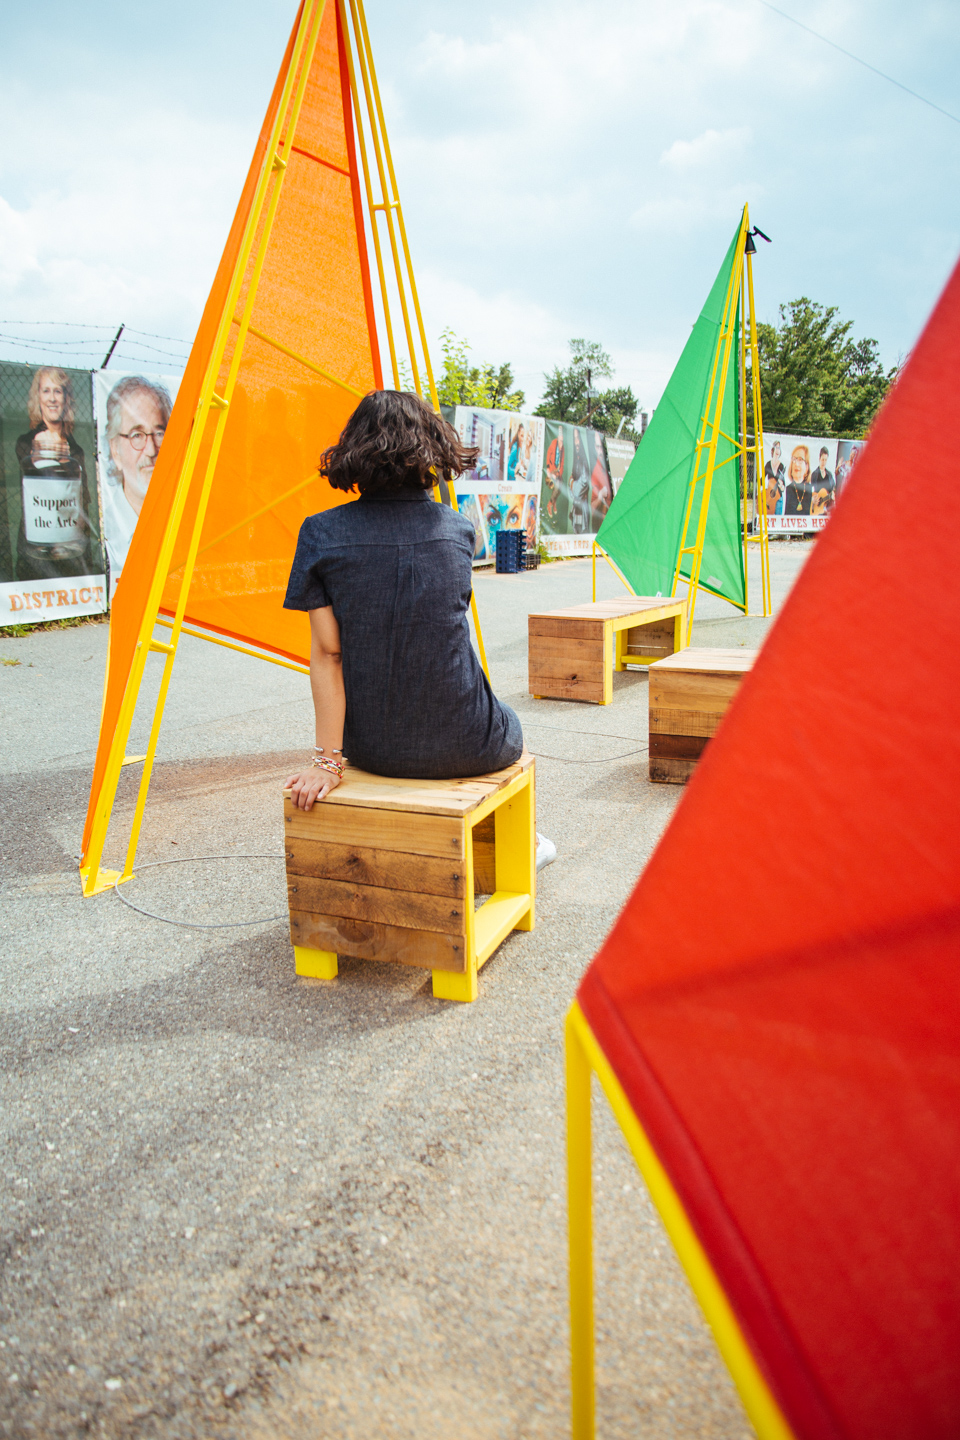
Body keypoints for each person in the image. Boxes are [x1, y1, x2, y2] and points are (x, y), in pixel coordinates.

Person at [16, 366, 98, 581]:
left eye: (58, 391)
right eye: (46, 391)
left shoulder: (77, 449)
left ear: (66, 398)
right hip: (37, 548)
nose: (52, 399)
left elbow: (83, 501)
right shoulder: (26, 443)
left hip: (69, 546)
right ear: (38, 397)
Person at [100, 375, 173, 582]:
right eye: (137, 435)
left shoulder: (186, 525)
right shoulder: (102, 535)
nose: (151, 450)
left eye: (159, 433)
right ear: (115, 450)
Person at [570, 428, 590, 534]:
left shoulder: (583, 461)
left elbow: (579, 489)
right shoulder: (576, 459)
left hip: (582, 509)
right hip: (576, 509)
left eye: (577, 438)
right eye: (574, 439)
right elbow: (572, 494)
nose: (576, 442)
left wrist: (571, 483)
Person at [783, 444, 813, 516]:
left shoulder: (811, 489)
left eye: (800, 460)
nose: (796, 463)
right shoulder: (786, 489)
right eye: (794, 459)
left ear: (807, 467)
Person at [810, 446, 836, 515]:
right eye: (822, 459)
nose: (824, 462)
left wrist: (833, 494)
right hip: (817, 508)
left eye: (825, 460)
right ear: (819, 459)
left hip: (828, 508)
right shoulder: (815, 474)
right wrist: (813, 499)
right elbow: (810, 490)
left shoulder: (829, 475)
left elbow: (833, 488)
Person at [544, 433, 564, 521]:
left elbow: (562, 463)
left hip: (557, 472)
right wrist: (548, 468)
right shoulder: (553, 443)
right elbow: (548, 454)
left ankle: (553, 502)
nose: (561, 444)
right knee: (557, 487)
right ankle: (550, 504)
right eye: (560, 441)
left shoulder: (562, 448)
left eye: (562, 441)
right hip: (552, 470)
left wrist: (559, 474)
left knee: (561, 485)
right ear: (557, 439)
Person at [764, 439, 785, 517]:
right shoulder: (768, 464)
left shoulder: (781, 466)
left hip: (778, 498)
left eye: (779, 448)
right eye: (776, 447)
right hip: (769, 498)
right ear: (772, 449)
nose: (777, 450)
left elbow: (783, 488)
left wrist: (781, 485)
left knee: (777, 522)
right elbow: (761, 478)